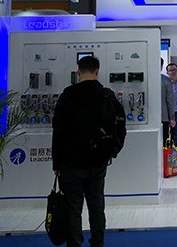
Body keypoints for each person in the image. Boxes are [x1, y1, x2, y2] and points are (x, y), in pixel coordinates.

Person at [52, 56, 123, 247]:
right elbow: (120, 126)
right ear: (97, 72)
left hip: (70, 162)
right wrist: (112, 151)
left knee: (73, 208)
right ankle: (97, 243)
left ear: (78, 72)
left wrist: (56, 162)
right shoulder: (106, 95)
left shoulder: (67, 95)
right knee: (96, 205)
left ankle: (75, 244)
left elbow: (58, 131)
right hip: (98, 160)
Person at [161, 58, 176, 142]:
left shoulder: (146, 78)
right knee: (164, 142)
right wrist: (172, 118)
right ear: (161, 66)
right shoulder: (166, 80)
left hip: (148, 117)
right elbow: (169, 100)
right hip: (164, 117)